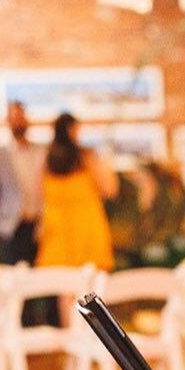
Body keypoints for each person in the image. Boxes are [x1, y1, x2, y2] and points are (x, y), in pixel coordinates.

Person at [37, 112, 117, 273]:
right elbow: (110, 189)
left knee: (64, 284)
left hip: (56, 229)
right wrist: (107, 163)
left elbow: (40, 195)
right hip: (86, 227)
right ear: (71, 129)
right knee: (90, 288)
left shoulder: (46, 160)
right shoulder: (86, 157)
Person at [0, 100, 44, 264]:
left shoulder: (38, 151)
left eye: (22, 116)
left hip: (39, 225)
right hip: (13, 226)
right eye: (15, 117)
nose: (19, 121)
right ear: (8, 121)